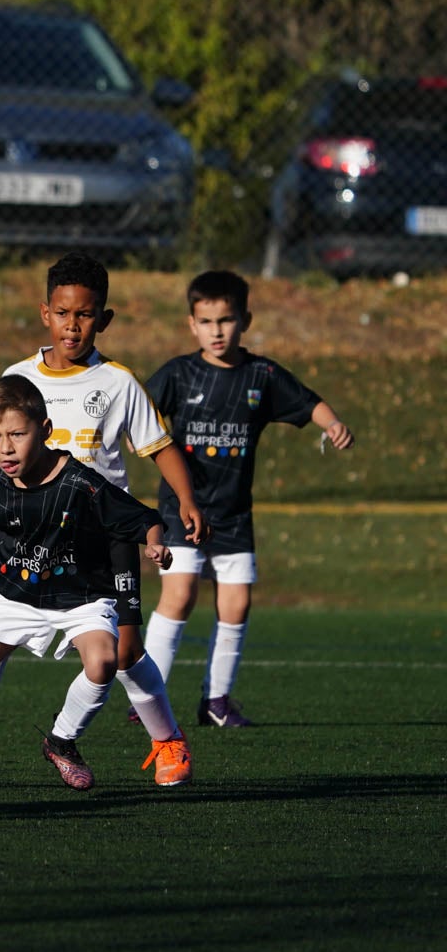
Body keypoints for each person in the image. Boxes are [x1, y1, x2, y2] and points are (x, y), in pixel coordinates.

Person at [0, 251, 202, 787]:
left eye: (85, 315)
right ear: (45, 313)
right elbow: (6, 470)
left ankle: (168, 740)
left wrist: (187, 502)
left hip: (102, 537)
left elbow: (161, 447)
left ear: (103, 319)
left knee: (125, 651)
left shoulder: (118, 382)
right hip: (30, 534)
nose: (72, 325)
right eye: (63, 313)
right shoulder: (17, 378)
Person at [0, 374, 176, 793]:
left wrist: (154, 544)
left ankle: (61, 740)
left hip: (80, 595)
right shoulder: (0, 476)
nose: (5, 447)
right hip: (17, 595)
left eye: (16, 435)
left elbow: (142, 517)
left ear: (45, 431)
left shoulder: (82, 483)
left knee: (102, 663)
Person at [143, 270, 354, 727]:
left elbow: (308, 401)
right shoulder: (179, 374)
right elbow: (138, 410)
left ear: (245, 320)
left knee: (236, 605)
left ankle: (216, 701)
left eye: (225, 320)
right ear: (191, 324)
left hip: (235, 514)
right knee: (178, 597)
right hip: (182, 509)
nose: (216, 330)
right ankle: (147, 698)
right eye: (206, 321)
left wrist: (332, 423)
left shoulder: (262, 375)